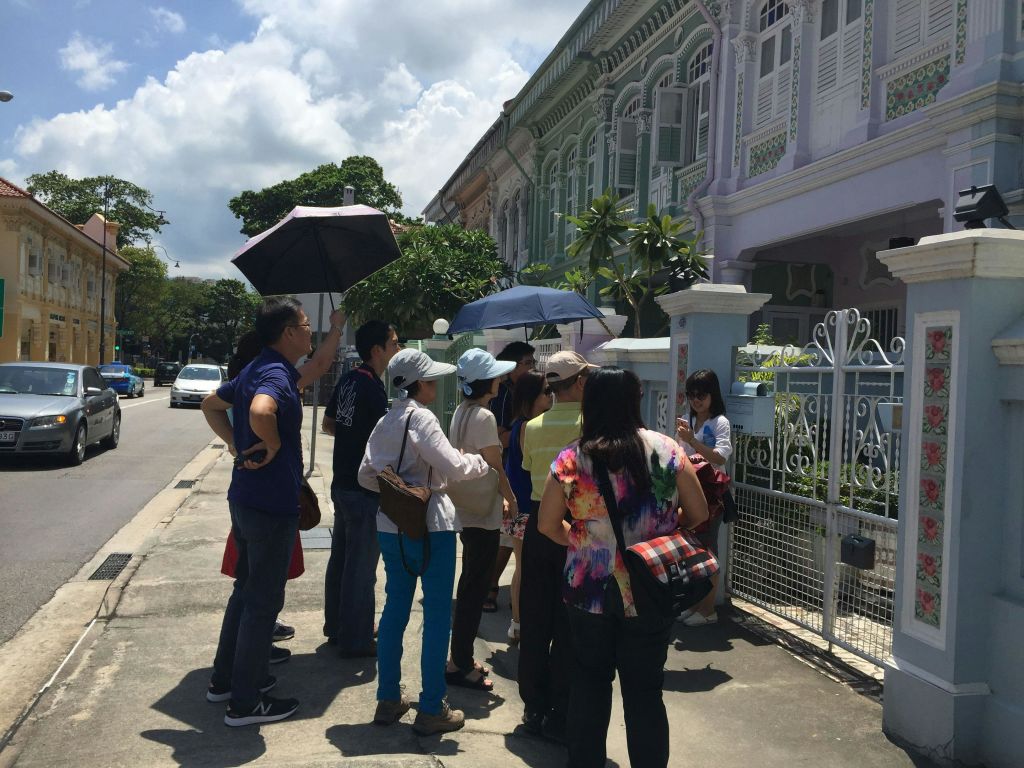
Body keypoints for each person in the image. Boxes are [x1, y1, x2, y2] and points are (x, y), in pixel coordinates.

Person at [538, 367, 709, 768]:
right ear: (636, 401)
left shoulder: (571, 458)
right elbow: (698, 512)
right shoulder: (666, 450)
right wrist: (663, 530)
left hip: (587, 592)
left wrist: (583, 544)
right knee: (645, 691)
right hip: (651, 588)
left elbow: (547, 524)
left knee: (589, 683)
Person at [201, 297, 344, 726]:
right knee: (263, 602)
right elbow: (263, 409)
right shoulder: (275, 377)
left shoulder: (261, 367)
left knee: (245, 594)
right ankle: (245, 703)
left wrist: (234, 442)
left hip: (245, 498)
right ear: (287, 333)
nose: (309, 332)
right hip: (269, 505)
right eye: (304, 325)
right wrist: (275, 443)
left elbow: (212, 404)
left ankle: (226, 681)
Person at [357, 349, 490, 736]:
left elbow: (366, 475)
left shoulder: (386, 420)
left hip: (390, 524)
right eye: (430, 380)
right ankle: (431, 707)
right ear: (419, 385)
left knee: (395, 608)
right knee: (435, 618)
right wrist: (478, 463)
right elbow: (453, 466)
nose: (435, 384)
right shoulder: (425, 418)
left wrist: (398, 488)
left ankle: (388, 697)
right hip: (432, 526)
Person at [517, 350, 592, 740]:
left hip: (537, 524)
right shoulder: (591, 426)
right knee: (568, 624)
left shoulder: (531, 426)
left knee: (535, 617)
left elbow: (530, 472)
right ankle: (561, 709)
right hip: (575, 527)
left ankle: (533, 703)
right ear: (578, 382)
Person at [322, 320, 400, 657]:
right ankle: (355, 638)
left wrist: (352, 440)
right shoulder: (371, 388)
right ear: (377, 350)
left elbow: (328, 425)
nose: (398, 348)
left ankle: (337, 627)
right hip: (364, 489)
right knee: (361, 567)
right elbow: (382, 443)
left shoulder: (349, 379)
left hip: (342, 482)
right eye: (394, 342)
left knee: (341, 559)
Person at [445, 348, 517, 691]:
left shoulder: (461, 411)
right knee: (474, 589)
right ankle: (459, 663)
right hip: (483, 511)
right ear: (486, 382)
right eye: (496, 375)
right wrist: (511, 497)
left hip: (465, 508)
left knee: (470, 584)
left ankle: (459, 657)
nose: (501, 380)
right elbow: (495, 465)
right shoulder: (485, 417)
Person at [675, 368, 732, 627]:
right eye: (692, 394)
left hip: (711, 494)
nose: (696, 400)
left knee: (708, 549)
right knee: (690, 550)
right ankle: (697, 604)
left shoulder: (720, 422)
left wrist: (692, 441)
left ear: (712, 395)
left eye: (702, 394)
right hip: (687, 492)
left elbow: (720, 457)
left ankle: (708, 609)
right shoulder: (687, 420)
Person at [484, 341, 536, 613]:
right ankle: (489, 589)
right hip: (505, 473)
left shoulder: (518, 392)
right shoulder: (504, 396)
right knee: (506, 538)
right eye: (528, 363)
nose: (532, 367)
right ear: (513, 366)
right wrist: (520, 430)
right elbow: (500, 438)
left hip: (516, 473)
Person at [501, 370, 552, 644]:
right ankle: (518, 624)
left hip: (520, 505)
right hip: (523, 506)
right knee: (523, 568)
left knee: (525, 567)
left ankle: (519, 624)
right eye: (546, 391)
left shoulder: (522, 424)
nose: (551, 396)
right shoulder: (526, 427)